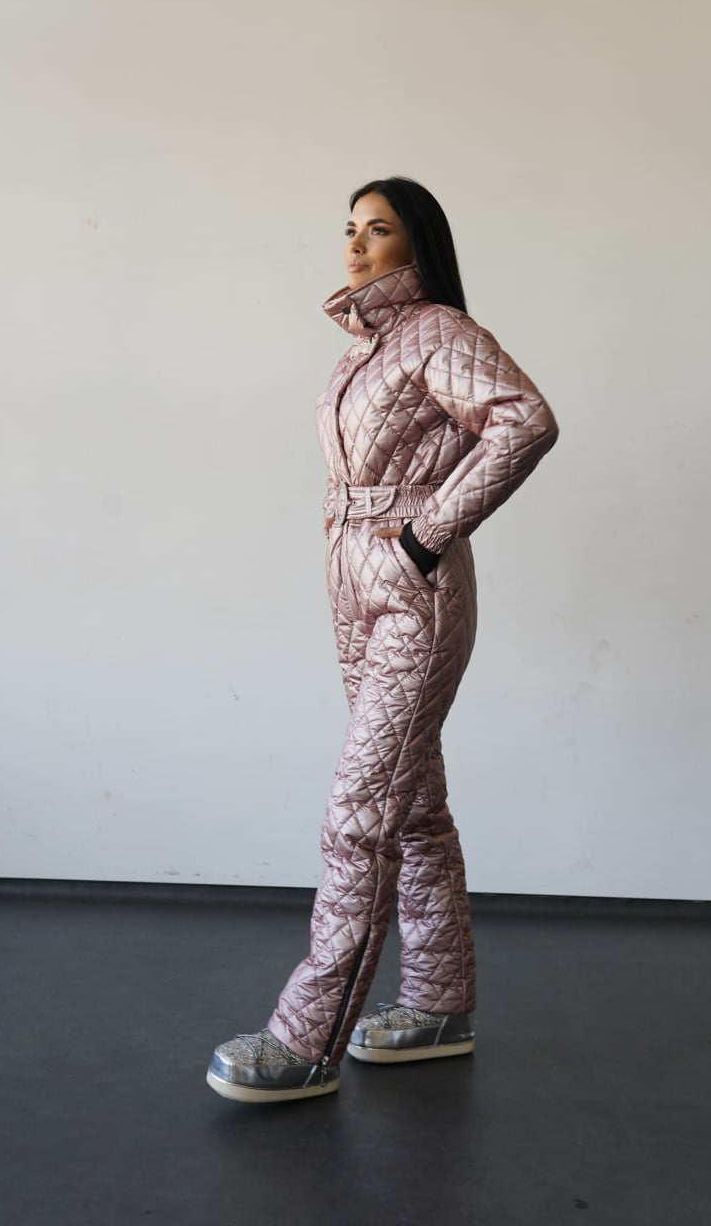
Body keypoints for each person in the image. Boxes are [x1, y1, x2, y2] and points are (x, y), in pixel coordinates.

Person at [206, 177, 559, 1103]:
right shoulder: (366, 346)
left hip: (412, 591)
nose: (356, 246)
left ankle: (307, 1037)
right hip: (353, 586)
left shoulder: (439, 331)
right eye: (349, 230)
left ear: (418, 246)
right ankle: (440, 1004)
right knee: (410, 805)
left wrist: (422, 536)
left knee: (358, 813)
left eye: (379, 231)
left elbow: (524, 420)